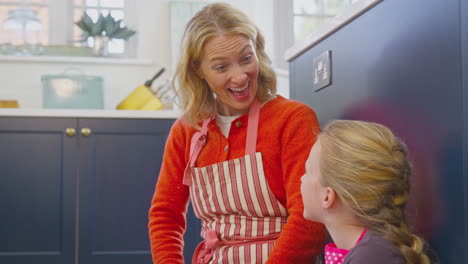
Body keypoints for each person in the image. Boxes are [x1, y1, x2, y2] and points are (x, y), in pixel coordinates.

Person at [148, 3, 326, 264]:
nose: (240, 77)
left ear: (258, 52)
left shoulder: (292, 119)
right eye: (221, 68)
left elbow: (309, 219)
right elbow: (165, 215)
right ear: (199, 70)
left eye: (246, 58)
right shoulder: (187, 130)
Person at [300, 119, 432, 264]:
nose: (301, 179)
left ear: (327, 196)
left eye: (307, 171)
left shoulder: (372, 257)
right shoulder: (371, 252)